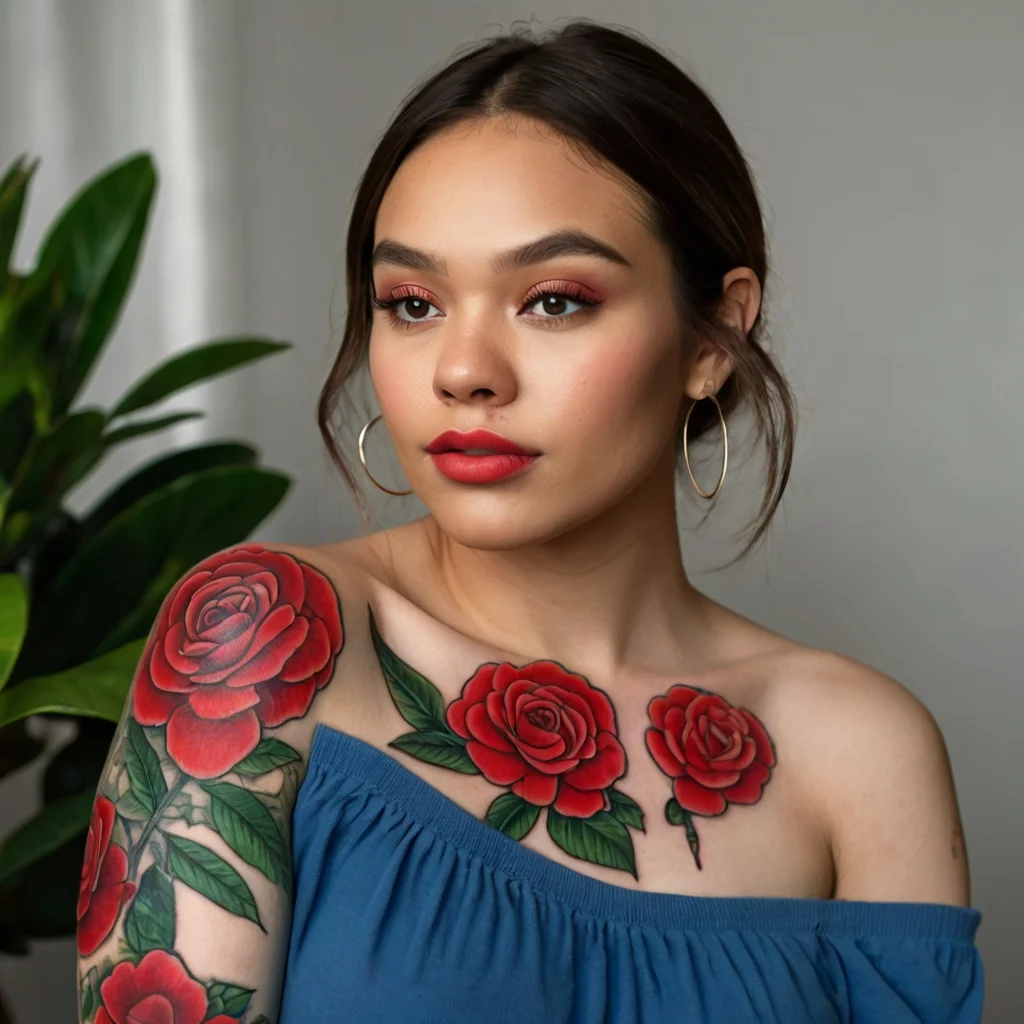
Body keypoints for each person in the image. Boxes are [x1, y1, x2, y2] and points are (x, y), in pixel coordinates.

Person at [75, 17, 983, 1024]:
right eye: (412, 303)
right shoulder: (269, 633)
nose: (463, 370)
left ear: (716, 334)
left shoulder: (861, 750)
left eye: (552, 300)